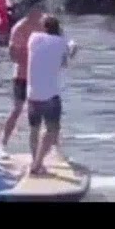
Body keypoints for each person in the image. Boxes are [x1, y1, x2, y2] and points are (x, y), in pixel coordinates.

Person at [25, 15, 76, 176]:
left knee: (34, 129)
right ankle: (38, 163)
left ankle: (36, 161)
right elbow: (70, 54)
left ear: (44, 27)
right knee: (52, 129)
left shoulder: (33, 39)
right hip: (50, 96)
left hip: (32, 94)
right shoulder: (62, 42)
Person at [1, 0, 45, 149]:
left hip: (40, 77)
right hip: (22, 76)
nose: (42, 11)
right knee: (17, 109)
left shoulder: (45, 26)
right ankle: (3, 144)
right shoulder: (19, 28)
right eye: (39, 8)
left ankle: (45, 148)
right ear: (31, 10)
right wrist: (31, 57)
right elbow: (13, 56)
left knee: (42, 114)